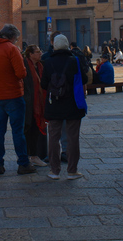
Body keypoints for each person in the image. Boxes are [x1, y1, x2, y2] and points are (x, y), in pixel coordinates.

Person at [0, 24, 36, 175]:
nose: (16, 41)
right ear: (12, 37)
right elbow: (21, 73)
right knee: (18, 131)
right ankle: (23, 163)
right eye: (17, 38)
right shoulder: (12, 49)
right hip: (14, 95)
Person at [40, 34, 88, 180]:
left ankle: (54, 171)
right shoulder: (76, 61)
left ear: (54, 46)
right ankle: (72, 170)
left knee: (54, 138)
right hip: (73, 105)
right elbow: (84, 79)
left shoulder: (47, 62)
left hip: (54, 105)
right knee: (73, 138)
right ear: (67, 45)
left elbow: (43, 84)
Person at [22, 45, 47, 167]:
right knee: (28, 129)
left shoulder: (40, 66)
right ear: (30, 54)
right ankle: (27, 156)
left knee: (36, 129)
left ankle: (34, 155)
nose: (40, 53)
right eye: (37, 52)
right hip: (28, 102)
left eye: (40, 51)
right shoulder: (25, 66)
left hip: (38, 102)